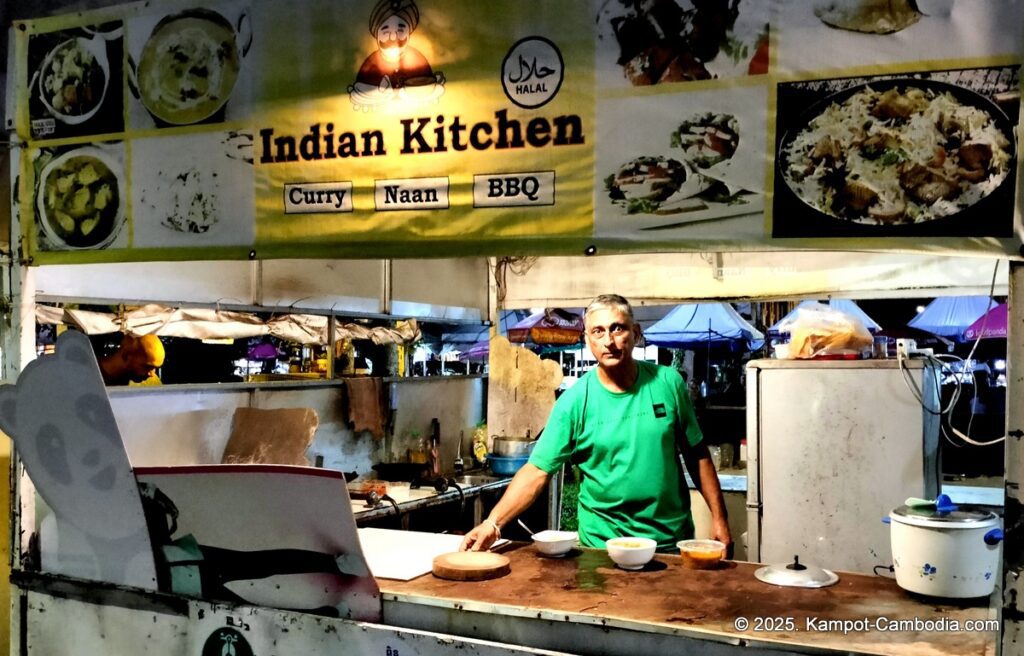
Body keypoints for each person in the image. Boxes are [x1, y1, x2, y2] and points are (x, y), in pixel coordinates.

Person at [461, 294, 731, 553]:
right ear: (587, 339)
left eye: (617, 329)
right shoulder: (574, 403)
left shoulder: (668, 383)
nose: (609, 341)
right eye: (598, 332)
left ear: (635, 333)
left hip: (668, 544)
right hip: (602, 549)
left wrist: (720, 518)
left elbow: (697, 454)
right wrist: (492, 523)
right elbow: (536, 471)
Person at [98, 333, 165, 386]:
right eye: (147, 367)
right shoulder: (90, 374)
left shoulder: (151, 384)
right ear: (126, 355)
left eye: (154, 368)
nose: (152, 374)